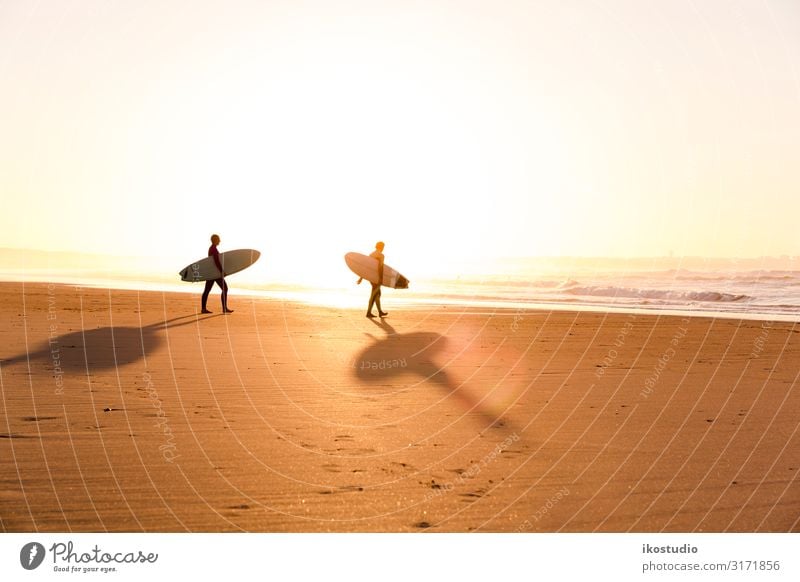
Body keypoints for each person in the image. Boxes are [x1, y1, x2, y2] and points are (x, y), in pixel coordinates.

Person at [201, 234, 233, 314]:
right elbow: (216, 261)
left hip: (211, 273)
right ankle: (224, 308)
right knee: (225, 288)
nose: (220, 241)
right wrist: (222, 271)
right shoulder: (213, 249)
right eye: (218, 239)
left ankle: (203, 309)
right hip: (215, 273)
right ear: (215, 240)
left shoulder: (211, 248)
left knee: (207, 290)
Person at [357, 241, 388, 318]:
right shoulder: (381, 255)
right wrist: (381, 279)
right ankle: (368, 312)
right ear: (382, 247)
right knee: (373, 295)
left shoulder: (371, 254)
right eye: (383, 247)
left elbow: (366, 267)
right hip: (376, 278)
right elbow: (380, 267)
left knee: (377, 294)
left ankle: (380, 312)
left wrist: (361, 278)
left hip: (371, 278)